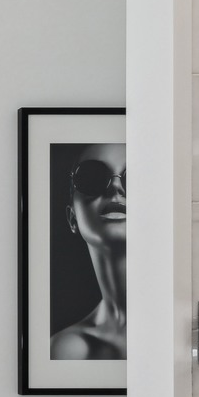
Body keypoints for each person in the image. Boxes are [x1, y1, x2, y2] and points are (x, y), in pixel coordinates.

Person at [51, 142, 127, 360]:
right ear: (72, 218)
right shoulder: (66, 350)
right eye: (92, 178)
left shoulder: (181, 326)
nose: (115, 188)